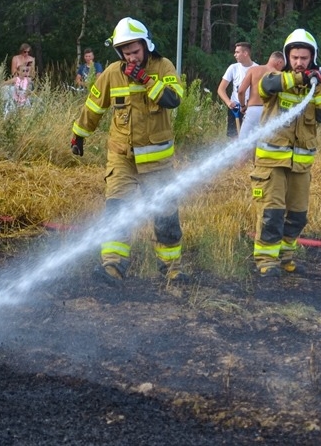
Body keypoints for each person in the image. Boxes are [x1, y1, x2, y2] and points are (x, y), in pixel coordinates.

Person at [70, 17, 188, 284]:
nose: (131, 57)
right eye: (126, 53)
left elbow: (173, 99)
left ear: (146, 45)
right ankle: (112, 267)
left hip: (157, 162)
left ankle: (171, 269)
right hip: (122, 158)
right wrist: (78, 135)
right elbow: (93, 107)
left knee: (166, 216)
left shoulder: (163, 66)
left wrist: (147, 80)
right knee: (116, 210)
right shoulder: (112, 72)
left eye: (135, 51)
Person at [250, 29, 321, 277]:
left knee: (297, 217)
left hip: (300, 167)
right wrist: (299, 78)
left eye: (304, 58)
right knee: (271, 214)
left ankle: (285, 256)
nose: (299, 62)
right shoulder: (275, 77)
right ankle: (266, 261)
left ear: (312, 59)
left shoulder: (315, 87)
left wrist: (319, 85)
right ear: (288, 57)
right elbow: (266, 86)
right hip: (271, 165)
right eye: (295, 57)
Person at [237, 51, 285, 142]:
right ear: (279, 62)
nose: (282, 69)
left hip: (252, 111)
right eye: (282, 66)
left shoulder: (253, 70)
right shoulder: (280, 76)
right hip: (270, 113)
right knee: (264, 145)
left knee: (243, 146)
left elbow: (241, 91)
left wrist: (243, 106)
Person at [217, 42, 256, 138]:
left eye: (237, 52)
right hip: (235, 109)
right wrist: (228, 102)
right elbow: (221, 89)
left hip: (250, 109)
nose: (235, 55)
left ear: (245, 53)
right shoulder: (233, 68)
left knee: (249, 139)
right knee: (234, 139)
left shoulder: (257, 69)